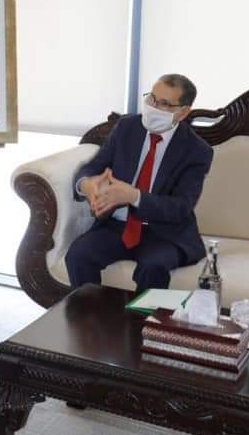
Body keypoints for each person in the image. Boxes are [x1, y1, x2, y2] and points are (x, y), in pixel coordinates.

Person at [65, 74, 213, 294]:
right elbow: (93, 167)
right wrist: (86, 184)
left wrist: (134, 197)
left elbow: (181, 207)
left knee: (153, 267)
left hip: (164, 233)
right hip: (116, 226)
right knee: (79, 255)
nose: (153, 107)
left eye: (164, 104)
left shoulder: (196, 150)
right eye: (152, 98)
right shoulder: (127, 127)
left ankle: (141, 318)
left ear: (183, 112)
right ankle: (90, 314)